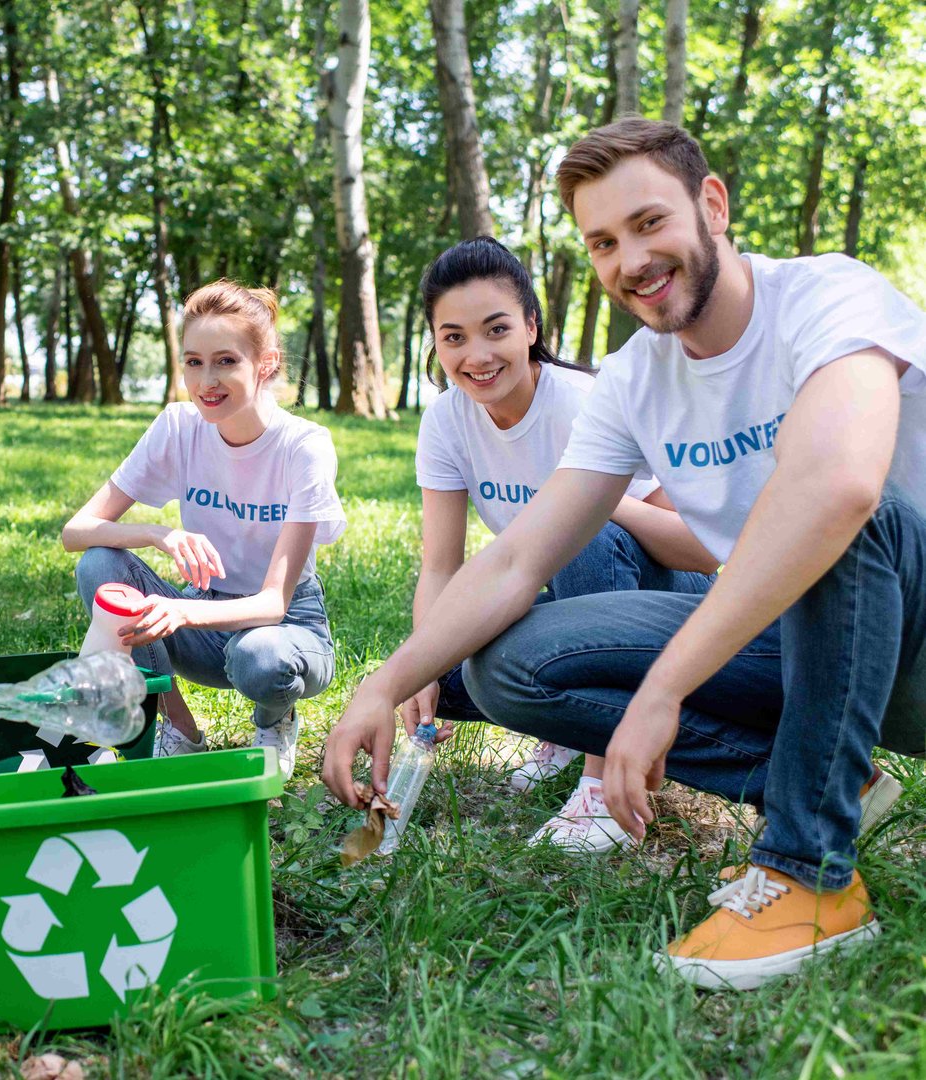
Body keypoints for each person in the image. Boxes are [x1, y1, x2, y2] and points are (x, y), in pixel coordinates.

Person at [323, 118, 923, 991]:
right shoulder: (635, 378)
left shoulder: (828, 297)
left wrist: (666, 688)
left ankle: (810, 873)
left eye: (648, 224)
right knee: (511, 665)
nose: (630, 260)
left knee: (840, 516)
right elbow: (517, 559)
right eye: (603, 241)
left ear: (710, 205)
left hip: (914, 630)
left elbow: (840, 490)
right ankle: (823, 781)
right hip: (805, 648)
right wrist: (383, 682)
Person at [408, 236, 717, 851]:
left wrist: (587, 500)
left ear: (529, 326)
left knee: (586, 533)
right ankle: (565, 728)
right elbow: (441, 566)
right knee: (454, 673)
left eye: (495, 329)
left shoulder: (584, 404)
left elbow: (701, 552)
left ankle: (602, 788)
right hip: (571, 594)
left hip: (673, 605)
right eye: (454, 337)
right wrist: (417, 669)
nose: (476, 355)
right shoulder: (446, 420)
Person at [63, 280, 346, 780]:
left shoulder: (303, 447)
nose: (206, 381)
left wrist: (178, 609)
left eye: (225, 361)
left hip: (285, 630)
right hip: (203, 614)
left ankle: (275, 720)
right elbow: (77, 532)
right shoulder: (178, 426)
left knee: (261, 654)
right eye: (193, 362)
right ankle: (180, 726)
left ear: (266, 364)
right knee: (100, 564)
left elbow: (272, 604)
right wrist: (157, 532)